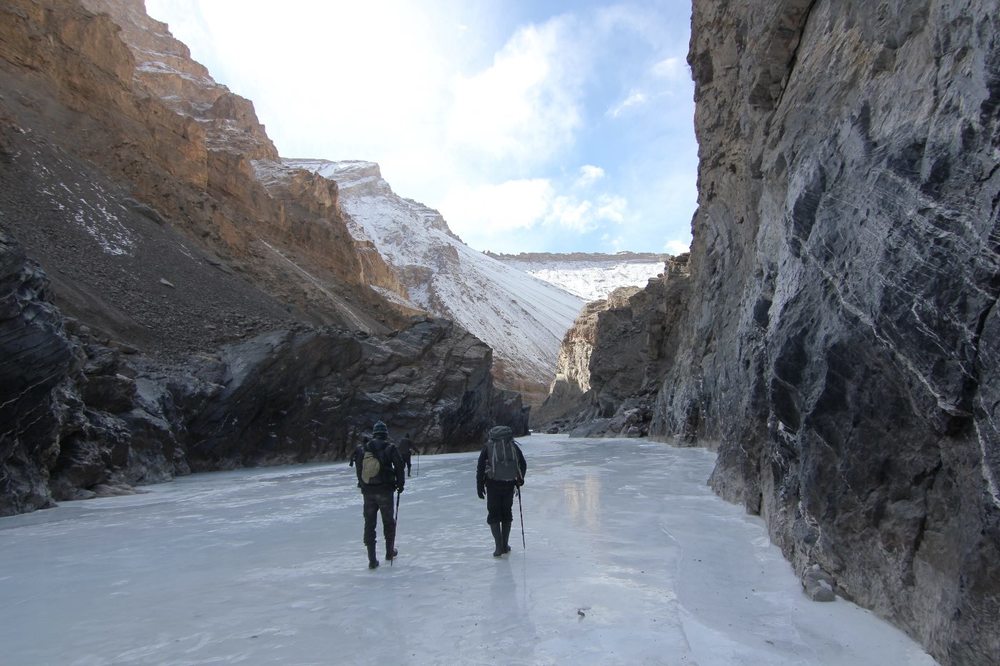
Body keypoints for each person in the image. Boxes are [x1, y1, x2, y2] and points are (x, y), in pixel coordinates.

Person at [353, 421, 405, 569]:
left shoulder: (363, 449)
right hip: (385, 491)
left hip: (368, 492)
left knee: (369, 524)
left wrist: (362, 485)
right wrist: (400, 485)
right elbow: (399, 466)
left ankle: (372, 560)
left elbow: (359, 469)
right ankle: (389, 552)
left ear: (374, 434)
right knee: (388, 522)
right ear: (385, 434)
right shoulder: (390, 448)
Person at [476, 425, 526, 557]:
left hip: (493, 485)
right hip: (509, 485)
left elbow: (480, 467)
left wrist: (479, 487)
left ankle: (498, 547)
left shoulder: (488, 447)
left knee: (493, 514)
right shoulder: (513, 446)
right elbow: (523, 464)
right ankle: (505, 545)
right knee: (506, 513)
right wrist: (520, 480)